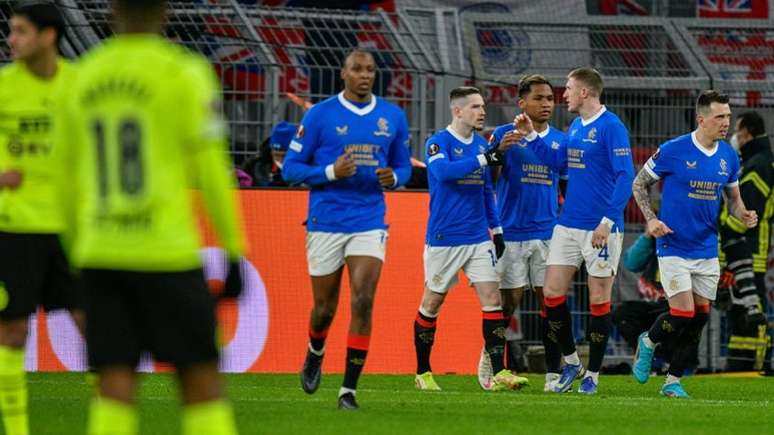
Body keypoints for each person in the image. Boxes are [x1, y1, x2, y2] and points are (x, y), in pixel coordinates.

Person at [52, 1, 246, 433]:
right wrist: (234, 250)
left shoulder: (82, 78)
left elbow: (64, 180)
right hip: (167, 253)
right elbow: (214, 172)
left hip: (101, 252)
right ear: (166, 12)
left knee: (114, 385)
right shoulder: (185, 72)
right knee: (200, 383)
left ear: (111, 11)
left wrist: (74, 252)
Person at [283, 49, 412, 410]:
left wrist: (396, 178)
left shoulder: (392, 116)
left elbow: (403, 167)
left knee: (363, 297)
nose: (365, 75)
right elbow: (290, 169)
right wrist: (329, 173)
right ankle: (315, 349)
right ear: (343, 73)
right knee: (324, 308)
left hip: (369, 220)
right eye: (357, 69)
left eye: (370, 70)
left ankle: (348, 391)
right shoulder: (319, 114)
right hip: (326, 221)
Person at [513, 67, 635, 394]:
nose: (562, 95)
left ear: (584, 92)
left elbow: (626, 177)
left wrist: (607, 223)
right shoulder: (577, 125)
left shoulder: (612, 127)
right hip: (567, 225)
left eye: (567, 89)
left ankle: (593, 374)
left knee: (598, 300)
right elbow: (558, 163)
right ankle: (571, 362)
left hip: (600, 228)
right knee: (551, 293)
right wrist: (531, 136)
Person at [631, 90, 757, 397]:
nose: (726, 122)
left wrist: (743, 214)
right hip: (674, 245)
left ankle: (673, 382)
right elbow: (639, 184)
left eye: (728, 116)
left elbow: (733, 199)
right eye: (719, 117)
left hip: (706, 248)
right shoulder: (673, 150)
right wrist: (651, 219)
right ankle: (647, 341)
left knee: (700, 317)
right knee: (683, 313)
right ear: (702, 119)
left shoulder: (728, 155)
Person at [412, 86, 528, 392]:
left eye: (483, 106)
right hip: (445, 237)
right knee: (432, 303)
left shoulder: (480, 144)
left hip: (478, 237)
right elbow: (444, 174)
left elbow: (486, 191)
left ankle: (498, 371)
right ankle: (423, 371)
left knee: (493, 301)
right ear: (458, 110)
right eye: (475, 107)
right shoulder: (439, 142)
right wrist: (483, 158)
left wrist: (497, 229)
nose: (482, 111)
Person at [0, 4, 82, 434]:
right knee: (12, 333)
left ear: (48, 36)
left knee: (99, 333)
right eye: (11, 32)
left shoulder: (80, 87)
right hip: (14, 230)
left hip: (73, 231)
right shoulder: (3, 88)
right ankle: (16, 430)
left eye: (20, 32)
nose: (10, 40)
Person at [479, 74, 565, 392]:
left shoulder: (559, 140)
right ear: (522, 103)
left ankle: (554, 375)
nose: (546, 104)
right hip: (511, 230)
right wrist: (498, 152)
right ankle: (491, 363)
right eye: (539, 98)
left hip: (547, 233)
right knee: (508, 303)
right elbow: (489, 178)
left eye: (550, 99)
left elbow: (567, 182)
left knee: (552, 302)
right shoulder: (504, 135)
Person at [720, 111, 773, 372]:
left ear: (747, 132)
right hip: (750, 250)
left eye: (736, 130)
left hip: (748, 251)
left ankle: (749, 368)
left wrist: (721, 231)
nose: (734, 136)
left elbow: (747, 213)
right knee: (742, 313)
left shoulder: (758, 165)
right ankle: (742, 367)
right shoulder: (759, 161)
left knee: (749, 314)